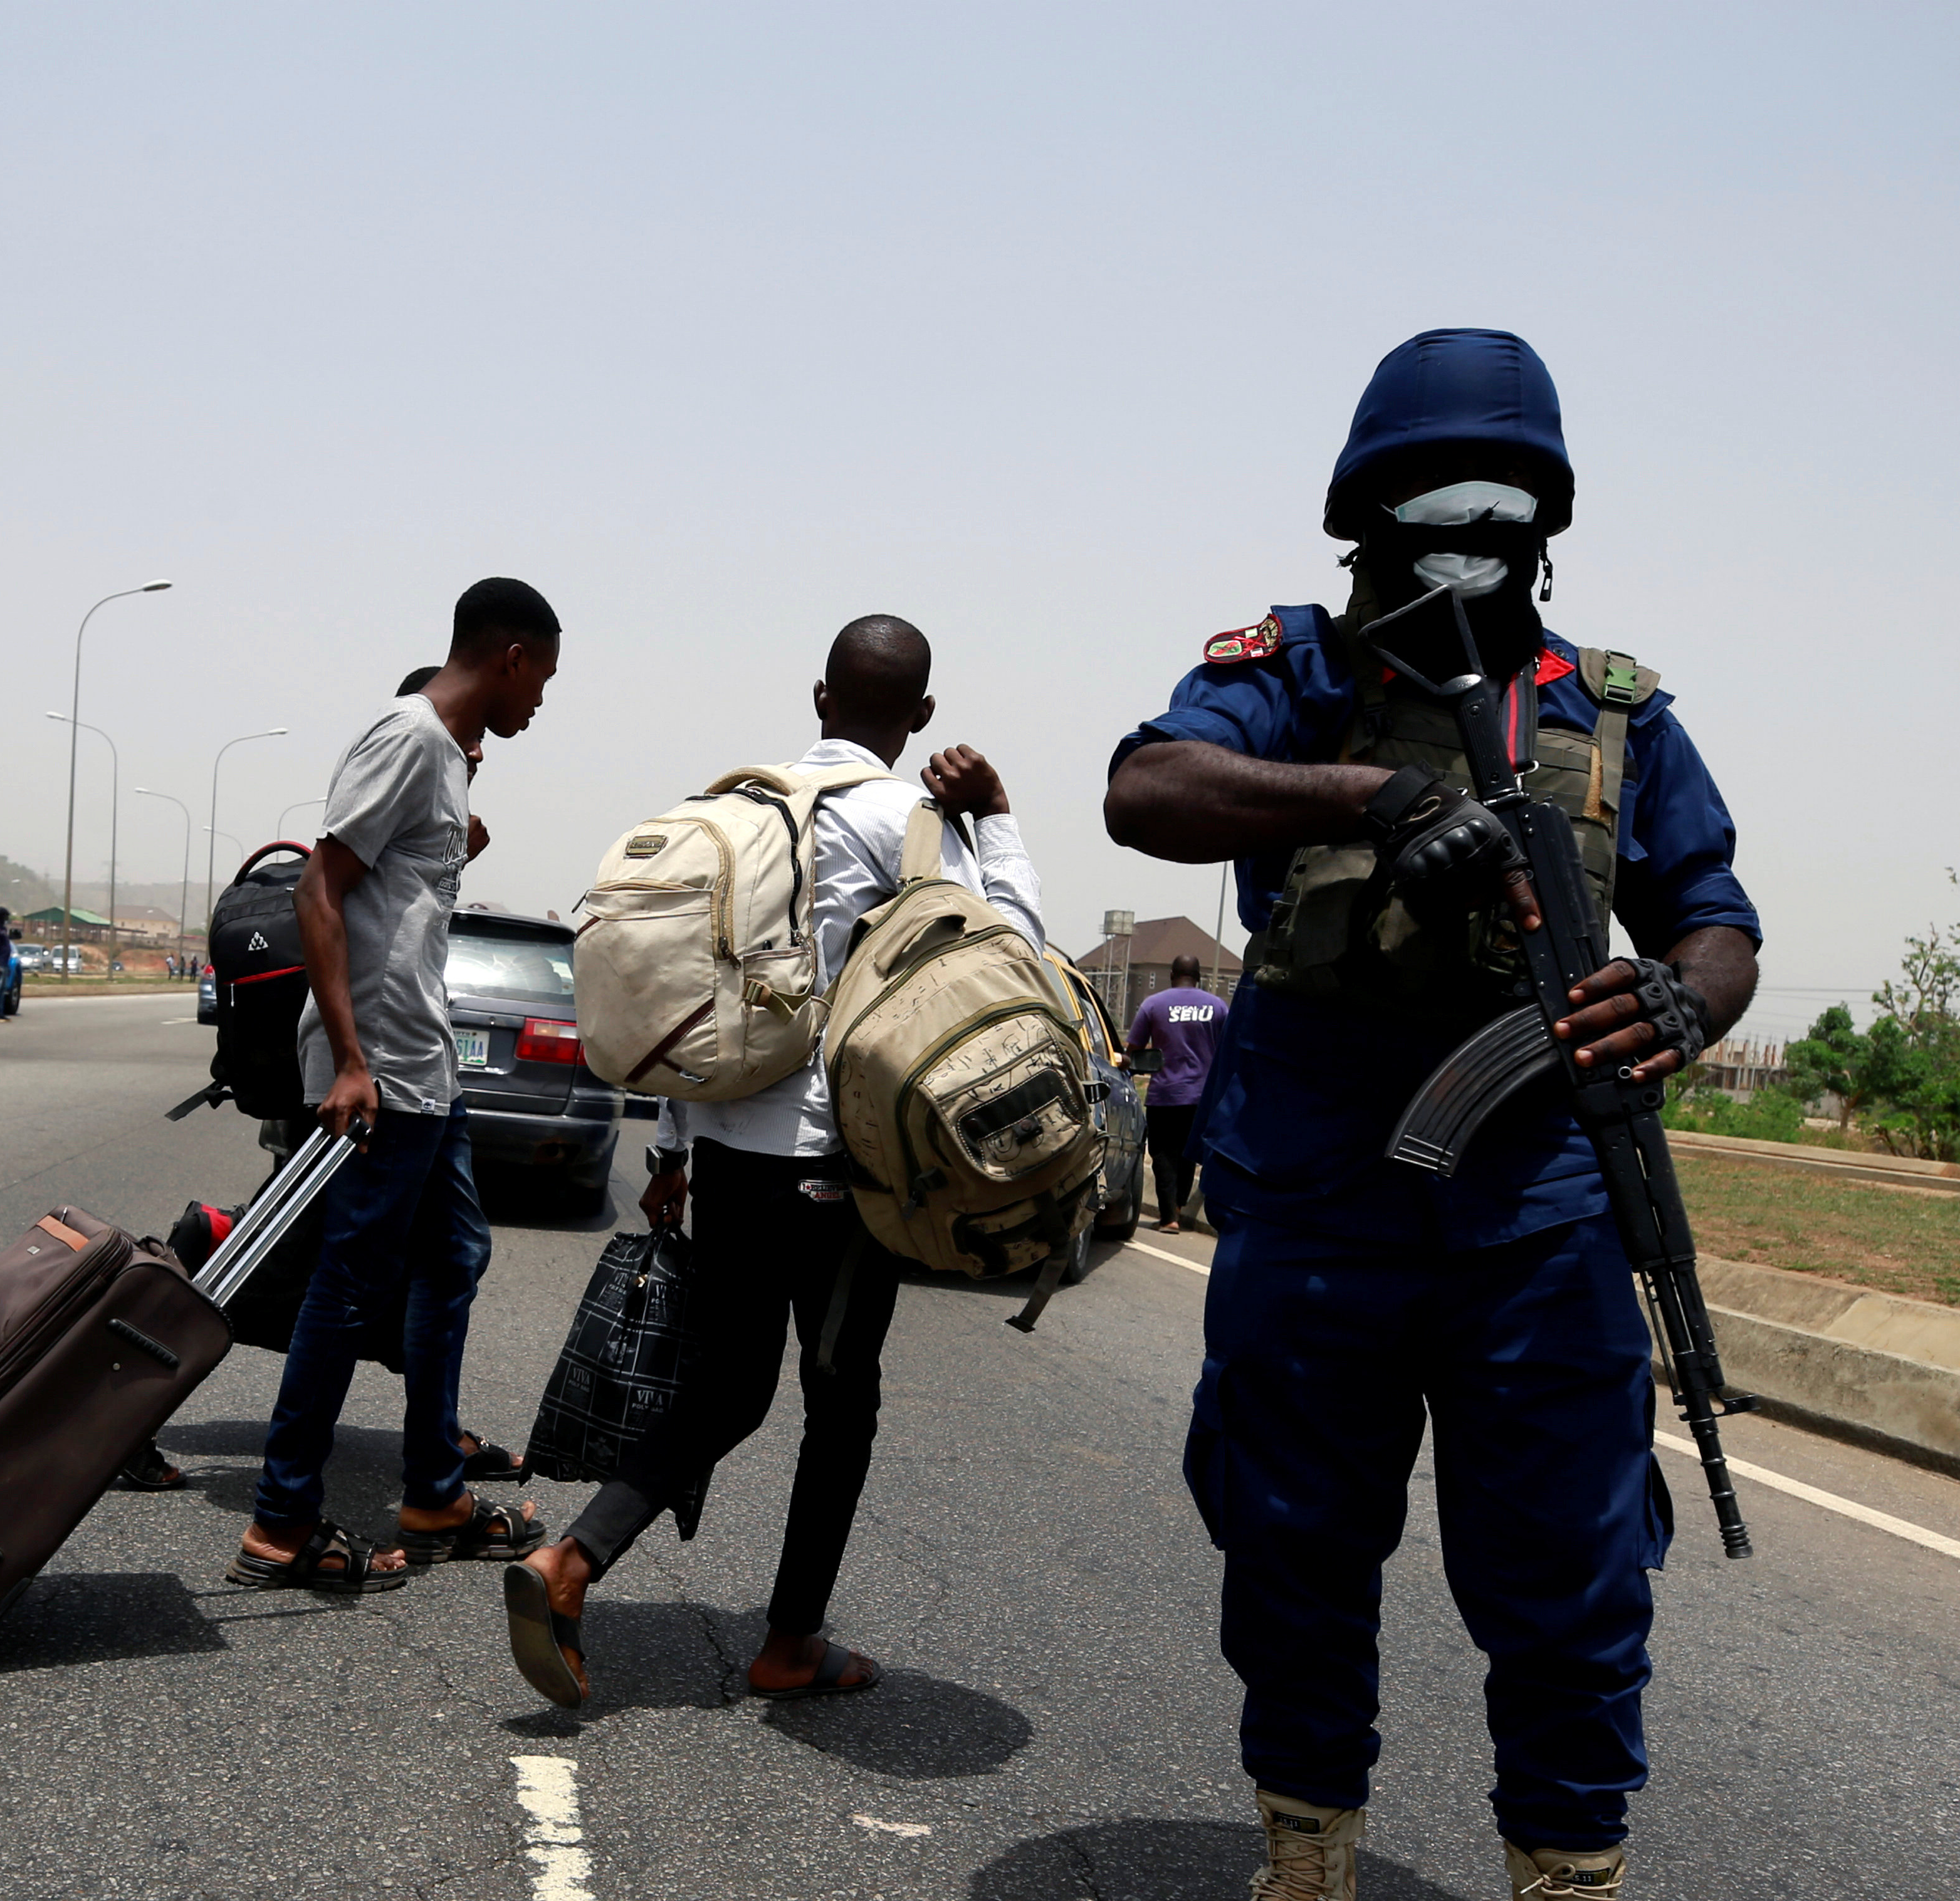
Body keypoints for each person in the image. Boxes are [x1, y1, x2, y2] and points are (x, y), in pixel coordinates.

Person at [1098, 330, 1761, 1901]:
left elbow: (1716, 913)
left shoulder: (1607, 710)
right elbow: (1146, 790)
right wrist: (1373, 797)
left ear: (1542, 526)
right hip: (1318, 1194)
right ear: (1357, 523)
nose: (1453, 545)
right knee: (1297, 1545)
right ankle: (1305, 1886)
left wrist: (1681, 1008)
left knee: (1568, 1578)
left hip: (1538, 1206)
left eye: (1491, 511)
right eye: (1419, 513)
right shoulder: (1290, 674)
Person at [502, 615, 1043, 1707]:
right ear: (922, 716)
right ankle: (785, 1642)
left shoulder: (742, 806)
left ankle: (574, 1559)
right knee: (839, 1402)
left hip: (726, 1153)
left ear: (816, 698)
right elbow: (1014, 954)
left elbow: (695, 992)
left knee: (732, 1385)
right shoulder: (914, 820)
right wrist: (995, 816)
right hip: (839, 1172)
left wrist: (669, 1142)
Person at [226, 577, 562, 1594]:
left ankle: (432, 1493)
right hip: (383, 1074)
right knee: (347, 1285)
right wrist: (353, 1061)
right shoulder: (408, 736)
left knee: (452, 1254)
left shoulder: (442, 765)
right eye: (541, 678)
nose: (540, 703)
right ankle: (281, 1523)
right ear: (509, 655)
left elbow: (392, 899)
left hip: (425, 1067)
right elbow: (319, 886)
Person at [1122, 953, 1225, 1232]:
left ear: (1171, 975)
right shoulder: (1217, 1006)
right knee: (1187, 1154)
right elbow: (1228, 1049)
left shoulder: (1153, 1005)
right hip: (1202, 1097)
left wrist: (1125, 1062)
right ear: (1200, 976)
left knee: (1163, 1154)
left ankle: (1169, 1216)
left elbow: (1133, 1052)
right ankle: (1178, 1207)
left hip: (1164, 1094)